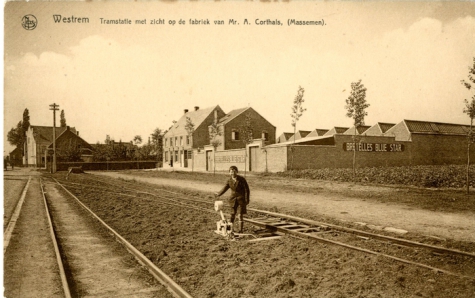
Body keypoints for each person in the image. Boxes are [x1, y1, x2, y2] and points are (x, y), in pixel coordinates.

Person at [215, 165, 250, 234]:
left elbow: (246, 190)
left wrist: (247, 199)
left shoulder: (242, 179)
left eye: (234, 172)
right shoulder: (229, 180)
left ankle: (240, 230)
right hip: (233, 199)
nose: (233, 173)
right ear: (229, 173)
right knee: (232, 214)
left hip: (241, 200)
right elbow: (225, 188)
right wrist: (218, 194)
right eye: (231, 172)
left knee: (240, 215)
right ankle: (231, 229)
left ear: (237, 172)